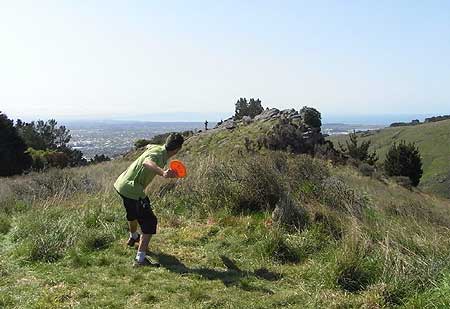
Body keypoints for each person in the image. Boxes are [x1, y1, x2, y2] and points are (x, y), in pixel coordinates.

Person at [114, 133, 184, 267]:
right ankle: (140, 260)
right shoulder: (157, 155)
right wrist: (163, 172)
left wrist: (148, 146)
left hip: (121, 184)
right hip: (132, 189)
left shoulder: (157, 148)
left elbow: (149, 146)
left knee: (132, 214)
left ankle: (133, 237)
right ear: (177, 150)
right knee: (150, 221)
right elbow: (147, 163)